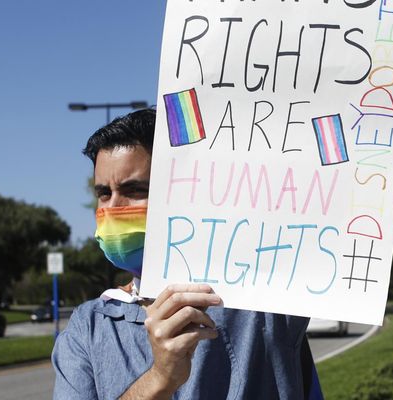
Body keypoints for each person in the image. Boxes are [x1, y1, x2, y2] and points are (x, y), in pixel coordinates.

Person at [53, 109, 322, 400]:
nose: (113, 207)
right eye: (104, 193)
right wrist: (160, 379)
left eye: (134, 189)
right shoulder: (87, 327)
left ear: (183, 190)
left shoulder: (260, 303)